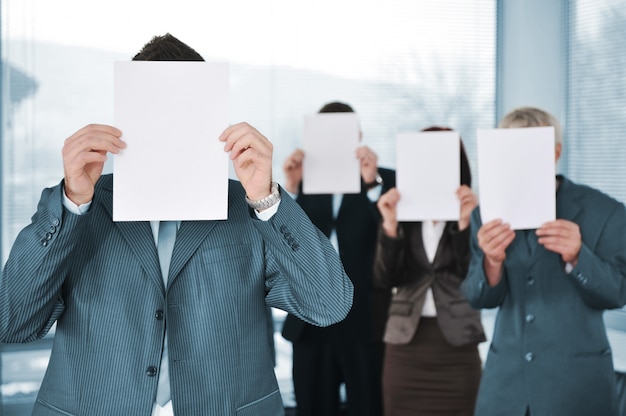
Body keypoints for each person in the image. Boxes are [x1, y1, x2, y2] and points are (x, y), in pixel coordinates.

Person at [0, 34, 354, 416]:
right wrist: (72, 204)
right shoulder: (78, 204)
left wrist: (267, 200)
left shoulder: (249, 206)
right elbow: (14, 322)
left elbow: (329, 304)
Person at [461, 106, 626, 416]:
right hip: (504, 386)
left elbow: (619, 293)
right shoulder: (485, 215)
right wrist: (492, 262)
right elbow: (476, 296)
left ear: (556, 151)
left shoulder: (605, 211)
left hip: (576, 387)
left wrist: (579, 258)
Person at [280, 102, 395, 416]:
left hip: (364, 319)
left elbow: (393, 239)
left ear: (358, 136)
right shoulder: (303, 181)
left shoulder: (383, 180)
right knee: (312, 405)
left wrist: (371, 184)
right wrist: (290, 190)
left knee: (368, 405)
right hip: (310, 318)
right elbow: (285, 243)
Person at [373, 126, 485, 416]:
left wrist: (464, 225)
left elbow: (475, 277)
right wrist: (389, 226)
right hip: (406, 344)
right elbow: (385, 278)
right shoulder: (402, 211)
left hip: (458, 344)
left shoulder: (473, 213)